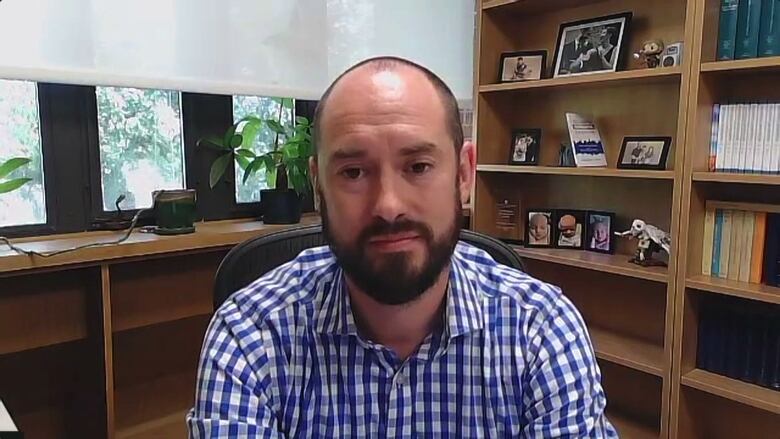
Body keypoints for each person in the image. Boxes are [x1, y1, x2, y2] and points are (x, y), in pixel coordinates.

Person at [187, 56, 616, 437]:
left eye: (418, 166)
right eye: (354, 172)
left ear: (464, 175)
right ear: (318, 185)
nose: (389, 206)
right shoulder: (250, 335)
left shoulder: (539, 330)